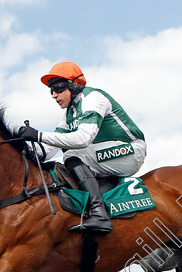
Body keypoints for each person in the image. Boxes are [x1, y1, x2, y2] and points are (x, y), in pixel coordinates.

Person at [19, 62, 147, 234]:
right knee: (61, 162)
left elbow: (83, 139)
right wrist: (24, 149)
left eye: (58, 88)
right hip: (105, 155)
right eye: (51, 90)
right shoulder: (69, 113)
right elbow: (52, 146)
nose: (54, 95)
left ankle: (99, 214)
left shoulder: (93, 98)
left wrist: (39, 135)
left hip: (130, 151)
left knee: (73, 153)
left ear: (74, 84)